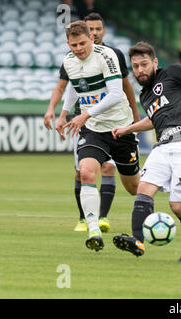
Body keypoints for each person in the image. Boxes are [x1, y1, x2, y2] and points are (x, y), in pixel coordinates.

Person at [111, 41, 181, 262]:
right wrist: (129, 128)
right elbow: (154, 119)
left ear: (155, 62)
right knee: (143, 189)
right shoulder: (145, 95)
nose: (140, 70)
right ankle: (138, 242)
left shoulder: (173, 72)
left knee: (177, 206)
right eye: (136, 66)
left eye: (144, 64)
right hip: (163, 147)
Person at [44, 13, 140, 233]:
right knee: (86, 172)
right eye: (73, 45)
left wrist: (85, 115)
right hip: (93, 129)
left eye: (82, 43)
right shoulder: (68, 60)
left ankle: (152, 179)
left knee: (133, 188)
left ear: (92, 38)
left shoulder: (107, 56)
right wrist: (63, 113)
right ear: (68, 44)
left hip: (119, 127)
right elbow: (73, 87)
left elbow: (117, 93)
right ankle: (93, 229)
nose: (78, 48)